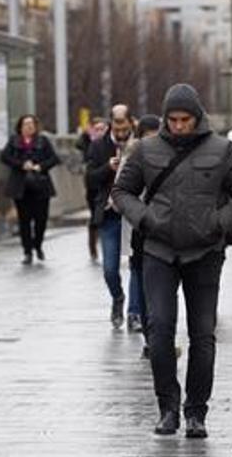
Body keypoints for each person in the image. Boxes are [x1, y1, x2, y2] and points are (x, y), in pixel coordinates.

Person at [112, 83, 232, 439]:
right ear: (165, 119)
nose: (179, 126)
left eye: (185, 119)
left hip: (205, 252)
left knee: (203, 334)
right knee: (159, 329)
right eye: (173, 120)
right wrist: (144, 218)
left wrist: (219, 222)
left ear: (198, 117)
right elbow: (121, 192)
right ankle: (167, 407)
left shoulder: (223, 150)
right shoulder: (146, 150)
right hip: (159, 251)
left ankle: (196, 412)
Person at [86, 104, 134, 328]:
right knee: (109, 268)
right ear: (111, 124)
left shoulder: (141, 144)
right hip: (110, 214)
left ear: (130, 122)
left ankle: (134, 313)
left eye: (125, 123)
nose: (121, 129)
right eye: (117, 124)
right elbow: (90, 180)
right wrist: (107, 168)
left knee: (139, 266)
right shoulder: (98, 146)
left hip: (134, 214)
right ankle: (117, 298)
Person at [121, 114, 161, 342]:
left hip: (167, 229)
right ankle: (150, 337)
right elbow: (120, 192)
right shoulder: (133, 157)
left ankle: (160, 336)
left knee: (163, 287)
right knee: (142, 278)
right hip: (141, 227)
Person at [1, 114, 61, 265]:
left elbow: (54, 158)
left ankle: (38, 244)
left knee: (41, 219)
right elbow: (4, 157)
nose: (29, 127)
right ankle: (27, 251)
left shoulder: (43, 141)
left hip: (40, 185)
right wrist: (21, 164)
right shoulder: (14, 141)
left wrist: (40, 166)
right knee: (24, 220)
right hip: (21, 187)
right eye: (26, 124)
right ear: (20, 127)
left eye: (32, 124)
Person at [76, 118, 108, 261]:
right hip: (93, 185)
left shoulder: (111, 144)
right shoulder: (88, 143)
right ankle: (92, 247)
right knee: (95, 215)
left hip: (107, 185)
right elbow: (79, 146)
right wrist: (86, 134)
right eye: (97, 129)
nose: (100, 132)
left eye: (103, 128)